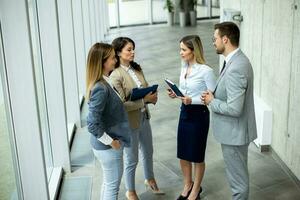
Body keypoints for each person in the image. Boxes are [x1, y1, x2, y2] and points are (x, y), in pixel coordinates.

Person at [202, 22, 257, 200]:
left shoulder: (236, 67)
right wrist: (215, 94)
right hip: (235, 131)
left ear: (225, 39)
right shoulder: (235, 60)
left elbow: (234, 108)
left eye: (215, 38)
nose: (213, 42)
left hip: (235, 134)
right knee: (238, 176)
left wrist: (212, 101)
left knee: (238, 183)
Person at [110, 37, 164, 200]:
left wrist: (151, 96)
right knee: (131, 158)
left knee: (148, 151)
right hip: (129, 123)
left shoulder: (136, 69)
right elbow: (121, 106)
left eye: (133, 48)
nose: (132, 52)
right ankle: (130, 190)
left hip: (143, 117)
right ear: (119, 52)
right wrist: (144, 100)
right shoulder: (115, 75)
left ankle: (150, 178)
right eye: (128, 49)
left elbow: (144, 89)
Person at [168, 35, 216, 200]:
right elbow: (185, 90)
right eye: (180, 49)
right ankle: (187, 184)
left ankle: (195, 190)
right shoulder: (184, 67)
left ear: (193, 51)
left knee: (196, 154)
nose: (180, 53)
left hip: (199, 116)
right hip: (185, 113)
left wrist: (192, 100)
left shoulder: (206, 71)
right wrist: (176, 94)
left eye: (183, 49)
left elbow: (212, 97)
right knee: (183, 153)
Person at [86, 42, 131, 200]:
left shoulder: (104, 82)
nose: (115, 60)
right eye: (112, 58)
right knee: (112, 187)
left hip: (103, 146)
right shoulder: (101, 87)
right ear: (102, 62)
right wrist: (111, 141)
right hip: (107, 147)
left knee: (108, 183)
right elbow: (91, 123)